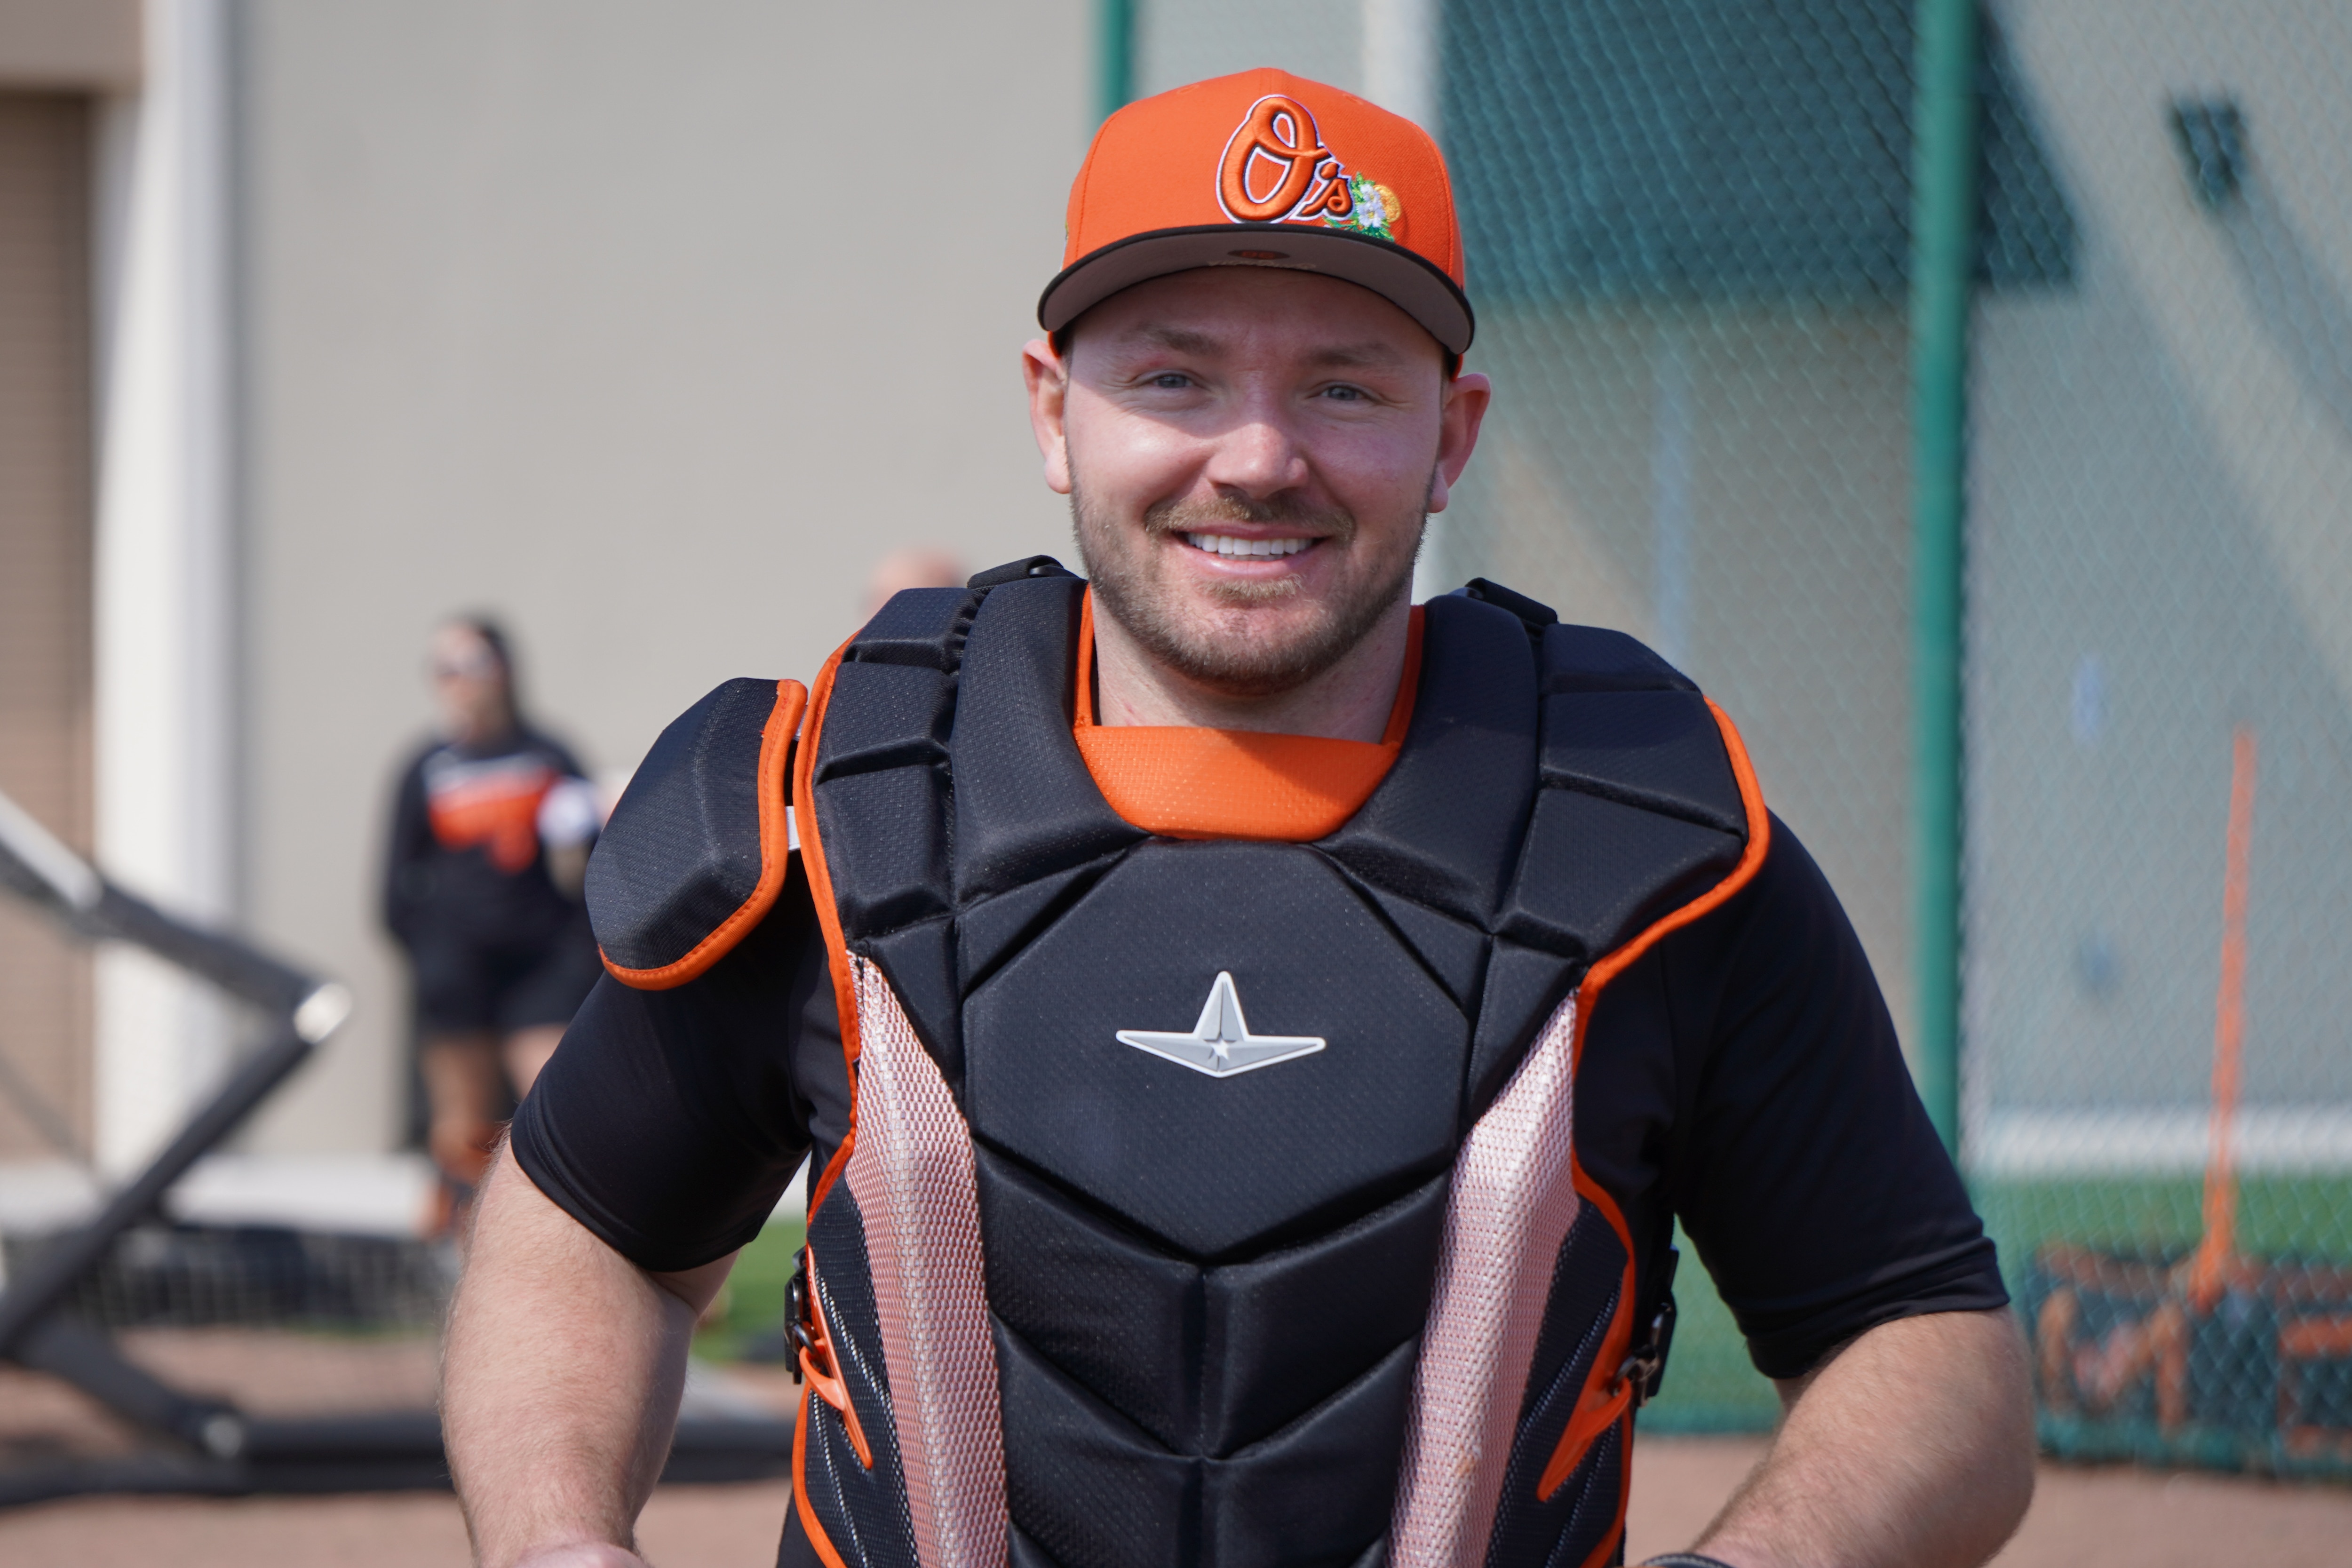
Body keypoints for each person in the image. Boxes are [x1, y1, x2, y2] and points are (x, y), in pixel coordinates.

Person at [443, 70, 2034, 1568]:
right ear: (1056, 414)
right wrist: (562, 1538)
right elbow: (588, 1227)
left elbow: (1926, 1340)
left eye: (1342, 386)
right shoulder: (839, 808)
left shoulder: (1651, 840)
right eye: (1176, 377)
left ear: (1452, 434)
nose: (1259, 458)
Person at [383, 617, 602, 1223]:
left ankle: (567, 1238)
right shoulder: (426, 766)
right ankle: (460, 1254)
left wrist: (579, 949)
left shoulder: (548, 756)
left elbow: (590, 859)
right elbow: (393, 887)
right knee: (464, 1123)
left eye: (470, 665)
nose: (458, 682)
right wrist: (429, 952)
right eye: (443, 669)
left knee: (558, 1106)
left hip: (541, 968)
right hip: (457, 970)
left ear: (504, 669)